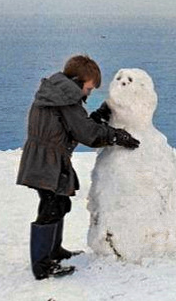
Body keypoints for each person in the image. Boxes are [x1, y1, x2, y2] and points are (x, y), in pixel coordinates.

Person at [17, 55, 140, 280]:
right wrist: (116, 136)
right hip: (47, 160)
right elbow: (87, 134)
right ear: (77, 81)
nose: (89, 93)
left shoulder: (58, 94)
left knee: (59, 203)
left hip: (46, 157)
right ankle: (42, 265)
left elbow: (74, 126)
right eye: (89, 88)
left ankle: (54, 250)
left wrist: (99, 116)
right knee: (51, 207)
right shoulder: (66, 99)